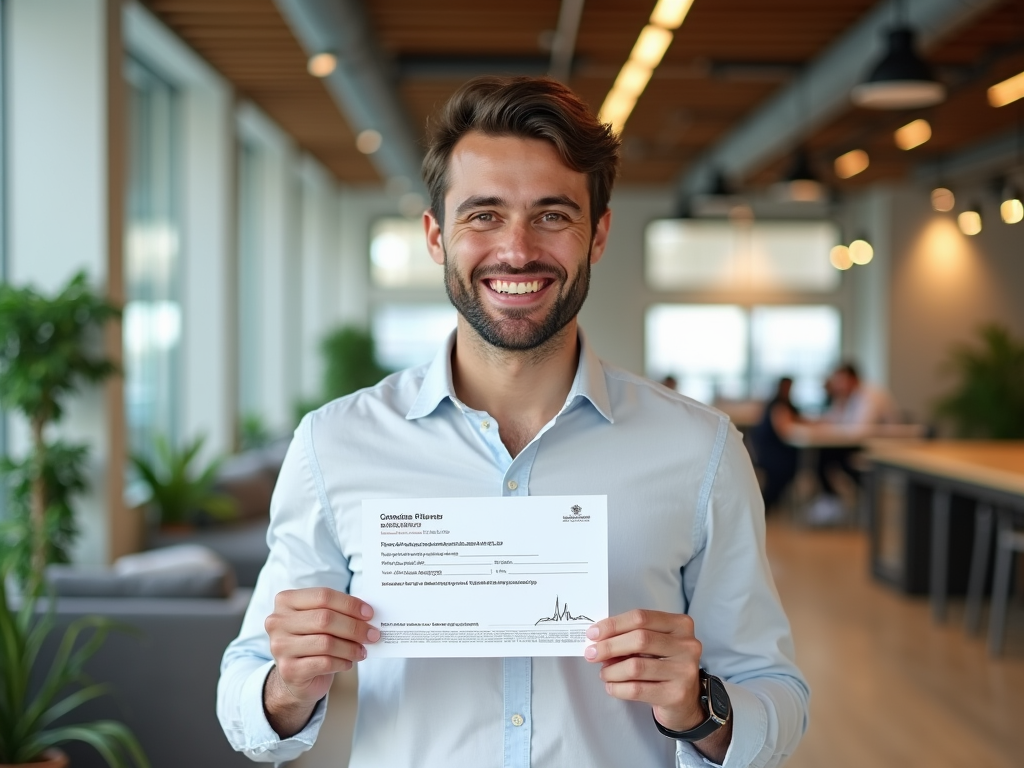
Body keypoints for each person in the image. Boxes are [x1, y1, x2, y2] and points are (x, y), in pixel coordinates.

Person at [217, 76, 808, 768]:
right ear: (436, 236)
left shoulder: (699, 450)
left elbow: (777, 693)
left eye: (553, 215)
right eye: (484, 215)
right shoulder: (335, 443)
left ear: (599, 235)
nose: (518, 249)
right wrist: (287, 686)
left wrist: (698, 704)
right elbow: (244, 692)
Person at [811, 362, 899, 522]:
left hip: (878, 451)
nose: (837, 386)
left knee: (829, 457)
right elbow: (834, 420)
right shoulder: (849, 397)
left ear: (853, 379)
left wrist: (832, 428)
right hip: (858, 447)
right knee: (823, 456)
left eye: (841, 381)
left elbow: (861, 431)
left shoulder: (871, 396)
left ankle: (837, 503)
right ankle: (831, 501)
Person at [751, 377, 802, 514]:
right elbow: (784, 430)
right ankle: (767, 504)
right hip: (773, 453)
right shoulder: (777, 406)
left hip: (779, 450)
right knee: (788, 467)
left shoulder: (787, 404)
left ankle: (770, 503)